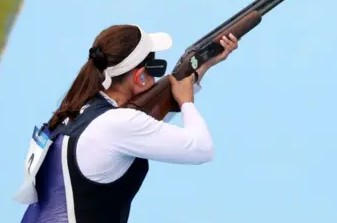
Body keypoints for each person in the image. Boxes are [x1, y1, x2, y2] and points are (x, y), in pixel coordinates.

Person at [13, 23, 239, 223]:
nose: (157, 76)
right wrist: (186, 102)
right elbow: (202, 149)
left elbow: (146, 127)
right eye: (155, 68)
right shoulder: (118, 124)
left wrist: (197, 73)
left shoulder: (75, 111)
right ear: (140, 76)